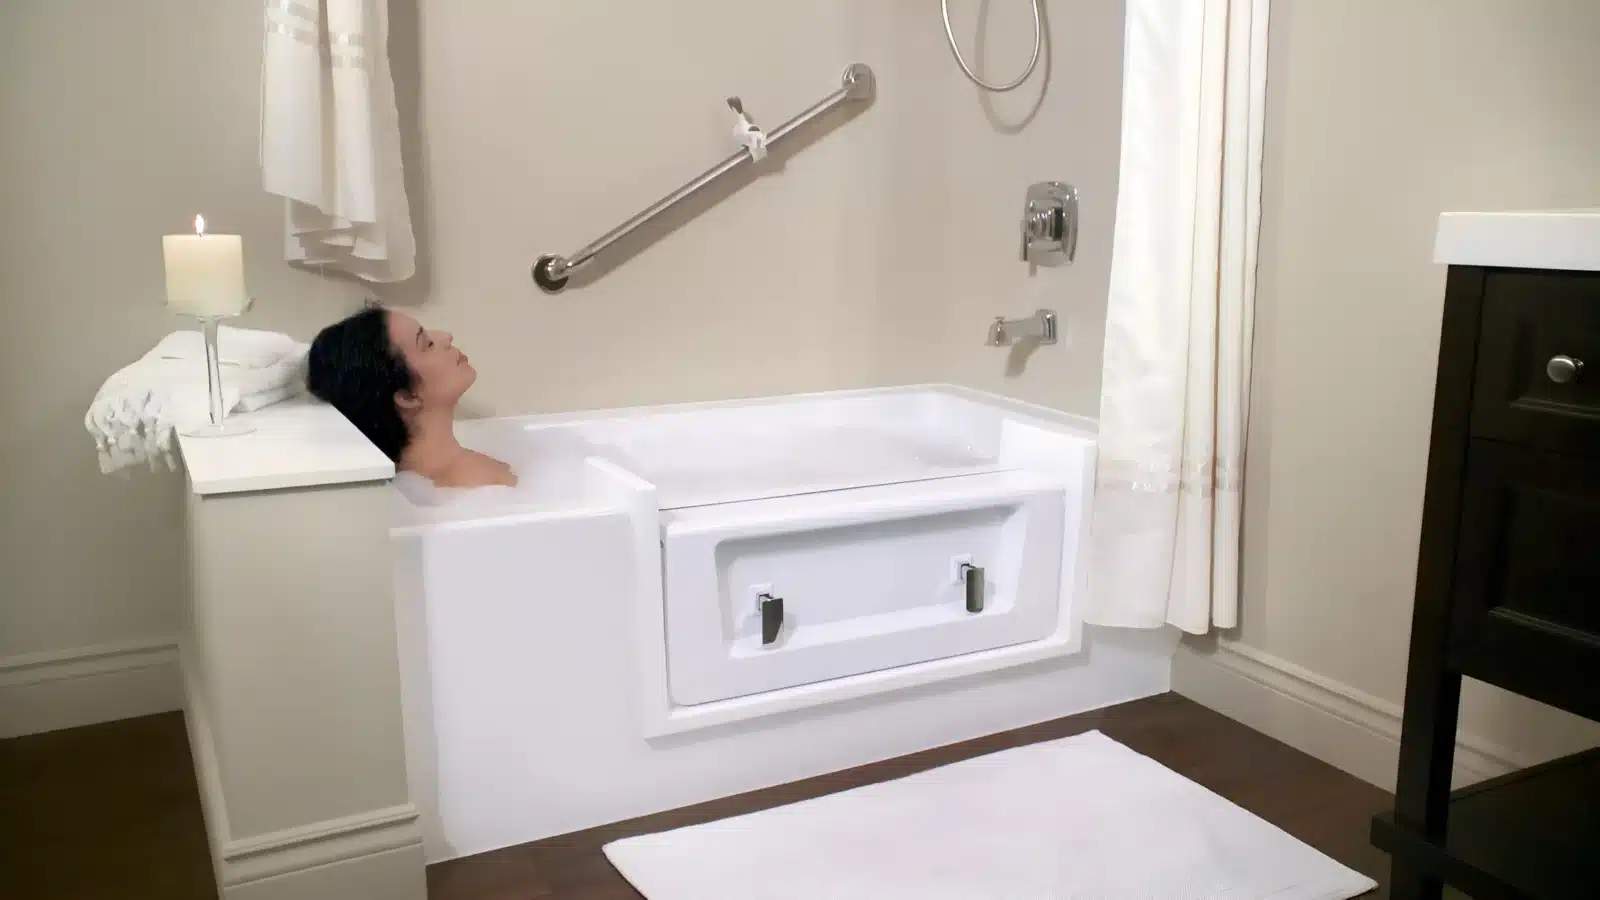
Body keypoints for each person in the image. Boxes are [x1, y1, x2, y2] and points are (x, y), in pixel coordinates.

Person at [306, 305, 517, 488]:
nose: (446, 336)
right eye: (427, 344)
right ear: (407, 397)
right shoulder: (482, 479)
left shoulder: (403, 486)